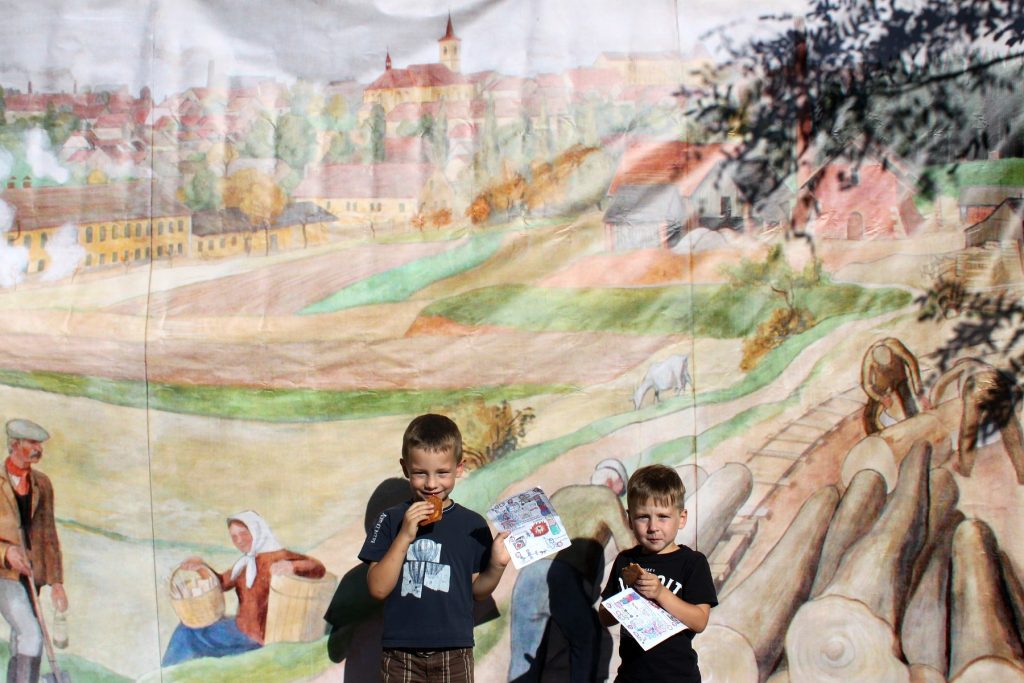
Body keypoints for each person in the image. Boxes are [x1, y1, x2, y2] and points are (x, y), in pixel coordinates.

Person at [359, 413, 509, 683]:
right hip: (400, 654)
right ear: (405, 468)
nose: (431, 484)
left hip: (455, 652)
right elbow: (378, 589)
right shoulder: (390, 520)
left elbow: (478, 591)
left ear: (459, 468)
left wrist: (496, 565)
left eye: (442, 472)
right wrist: (404, 535)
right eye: (420, 473)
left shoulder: (472, 524)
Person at [507, 459, 633, 682]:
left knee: (524, 659)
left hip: (528, 577)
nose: (619, 496)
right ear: (613, 482)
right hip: (563, 576)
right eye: (620, 491)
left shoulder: (562, 494)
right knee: (587, 640)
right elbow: (628, 547)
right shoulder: (607, 497)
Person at [599, 464, 718, 683]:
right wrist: (625, 600)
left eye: (663, 516)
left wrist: (660, 593)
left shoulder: (692, 563)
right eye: (643, 517)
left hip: (677, 677)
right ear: (629, 519)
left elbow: (699, 621)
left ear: (682, 518)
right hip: (630, 677)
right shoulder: (625, 560)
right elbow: (604, 617)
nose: (653, 526)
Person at [162, 510, 326, 666]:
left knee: (187, 633)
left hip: (256, 637)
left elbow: (318, 567)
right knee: (188, 627)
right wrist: (201, 567)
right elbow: (221, 583)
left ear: (257, 531)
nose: (239, 540)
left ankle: (166, 673)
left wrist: (292, 566)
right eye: (234, 537)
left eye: (243, 533)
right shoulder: (245, 563)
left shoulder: (279, 555)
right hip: (239, 627)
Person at [0, 419, 67, 683]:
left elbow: (49, 536)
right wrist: (6, 553)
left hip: (31, 575)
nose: (39, 449)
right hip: (3, 575)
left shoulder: (42, 484)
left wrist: (57, 583)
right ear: (14, 445)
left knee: (22, 638)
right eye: (32, 443)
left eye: (39, 444)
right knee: (31, 634)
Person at [930, 357, 1024, 484]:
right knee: (1011, 432)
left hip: (976, 384)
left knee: (969, 432)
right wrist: (1017, 411)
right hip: (998, 382)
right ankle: (1022, 473)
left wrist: (933, 402)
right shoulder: (989, 367)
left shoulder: (965, 365)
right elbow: (1016, 387)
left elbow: (942, 381)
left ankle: (965, 468)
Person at [860, 337, 929, 434]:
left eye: (890, 363)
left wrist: (920, 393)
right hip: (882, 383)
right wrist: (880, 398)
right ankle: (875, 435)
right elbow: (867, 385)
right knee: (870, 416)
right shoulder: (869, 359)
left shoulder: (895, 346)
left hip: (899, 376)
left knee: (908, 402)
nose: (888, 366)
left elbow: (912, 363)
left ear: (891, 353)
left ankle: (916, 426)